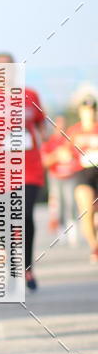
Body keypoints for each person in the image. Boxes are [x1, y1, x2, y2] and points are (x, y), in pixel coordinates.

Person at [0, 52, 47, 291]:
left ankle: (27, 267)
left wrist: (41, 136)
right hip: (0, 170)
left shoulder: (31, 95)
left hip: (29, 167)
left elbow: (41, 122)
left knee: (24, 215)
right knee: (5, 220)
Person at [66, 97, 98, 262]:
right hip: (83, 172)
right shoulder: (74, 131)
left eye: (92, 110)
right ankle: (94, 246)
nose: (89, 114)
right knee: (86, 208)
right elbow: (66, 152)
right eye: (86, 111)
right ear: (80, 112)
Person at [41, 114, 78, 244]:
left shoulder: (71, 140)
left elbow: (77, 157)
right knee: (58, 204)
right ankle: (61, 229)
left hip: (70, 175)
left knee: (71, 202)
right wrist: (57, 155)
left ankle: (72, 229)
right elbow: (45, 161)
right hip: (56, 176)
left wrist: (69, 156)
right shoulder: (50, 142)